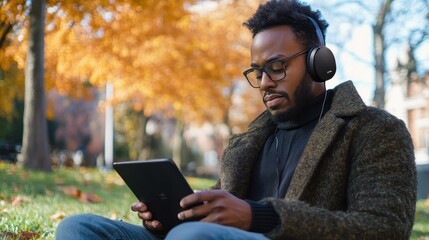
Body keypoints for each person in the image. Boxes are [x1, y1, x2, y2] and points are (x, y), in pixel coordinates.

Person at [55, 0, 417, 239]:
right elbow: (216, 213)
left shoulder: (374, 130)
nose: (264, 82)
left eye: (277, 67)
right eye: (257, 71)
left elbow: (385, 228)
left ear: (318, 63)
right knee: (79, 227)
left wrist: (260, 217)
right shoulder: (248, 142)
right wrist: (170, 215)